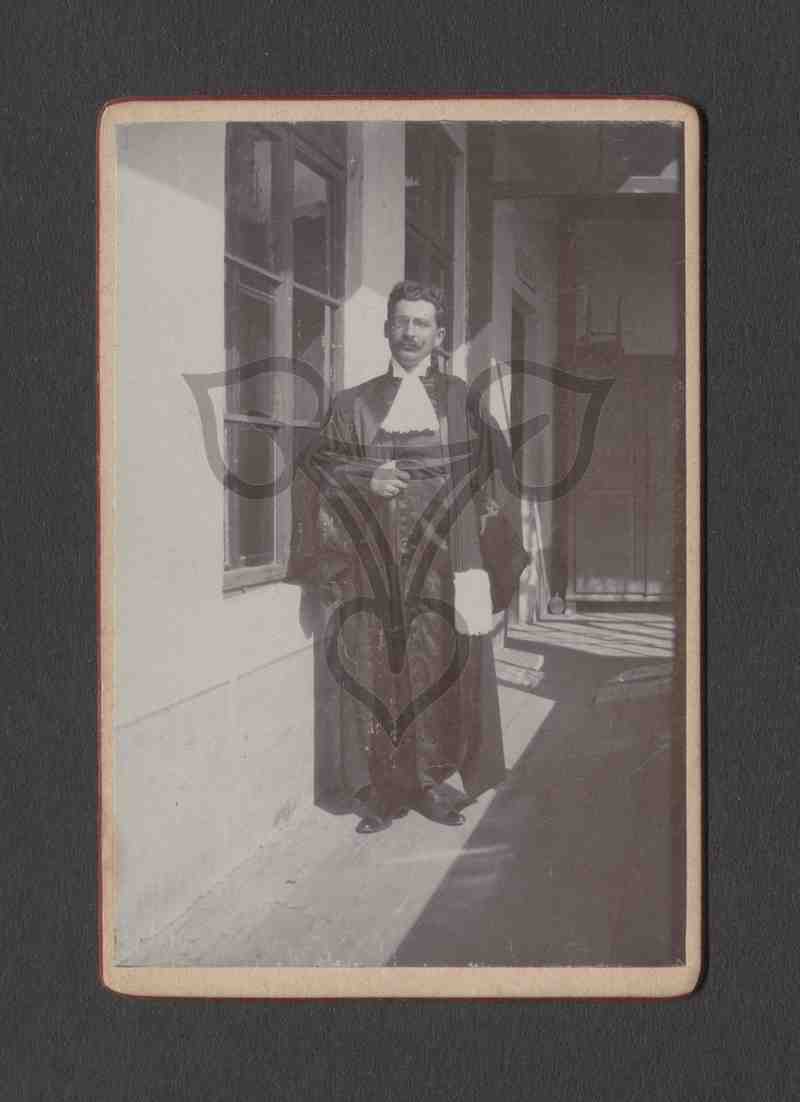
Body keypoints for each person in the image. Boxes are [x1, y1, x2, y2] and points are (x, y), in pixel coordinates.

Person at [286, 281, 527, 834]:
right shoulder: (353, 404)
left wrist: (484, 561)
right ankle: (382, 792)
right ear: (386, 329)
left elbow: (497, 478)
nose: (410, 333)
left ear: (439, 335)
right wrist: (366, 478)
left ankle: (431, 784)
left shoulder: (465, 402)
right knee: (377, 674)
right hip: (374, 569)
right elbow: (316, 472)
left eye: (422, 323)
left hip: (445, 568)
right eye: (401, 322)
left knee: (439, 671)